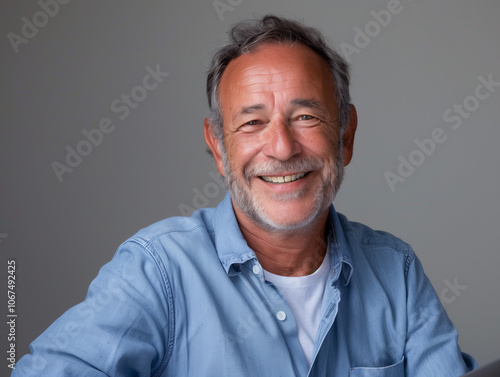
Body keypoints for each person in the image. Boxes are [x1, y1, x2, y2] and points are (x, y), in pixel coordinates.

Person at [13, 15, 476, 377]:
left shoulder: (397, 272)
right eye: (252, 123)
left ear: (346, 136)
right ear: (218, 147)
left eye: (306, 117)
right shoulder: (158, 272)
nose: (282, 148)